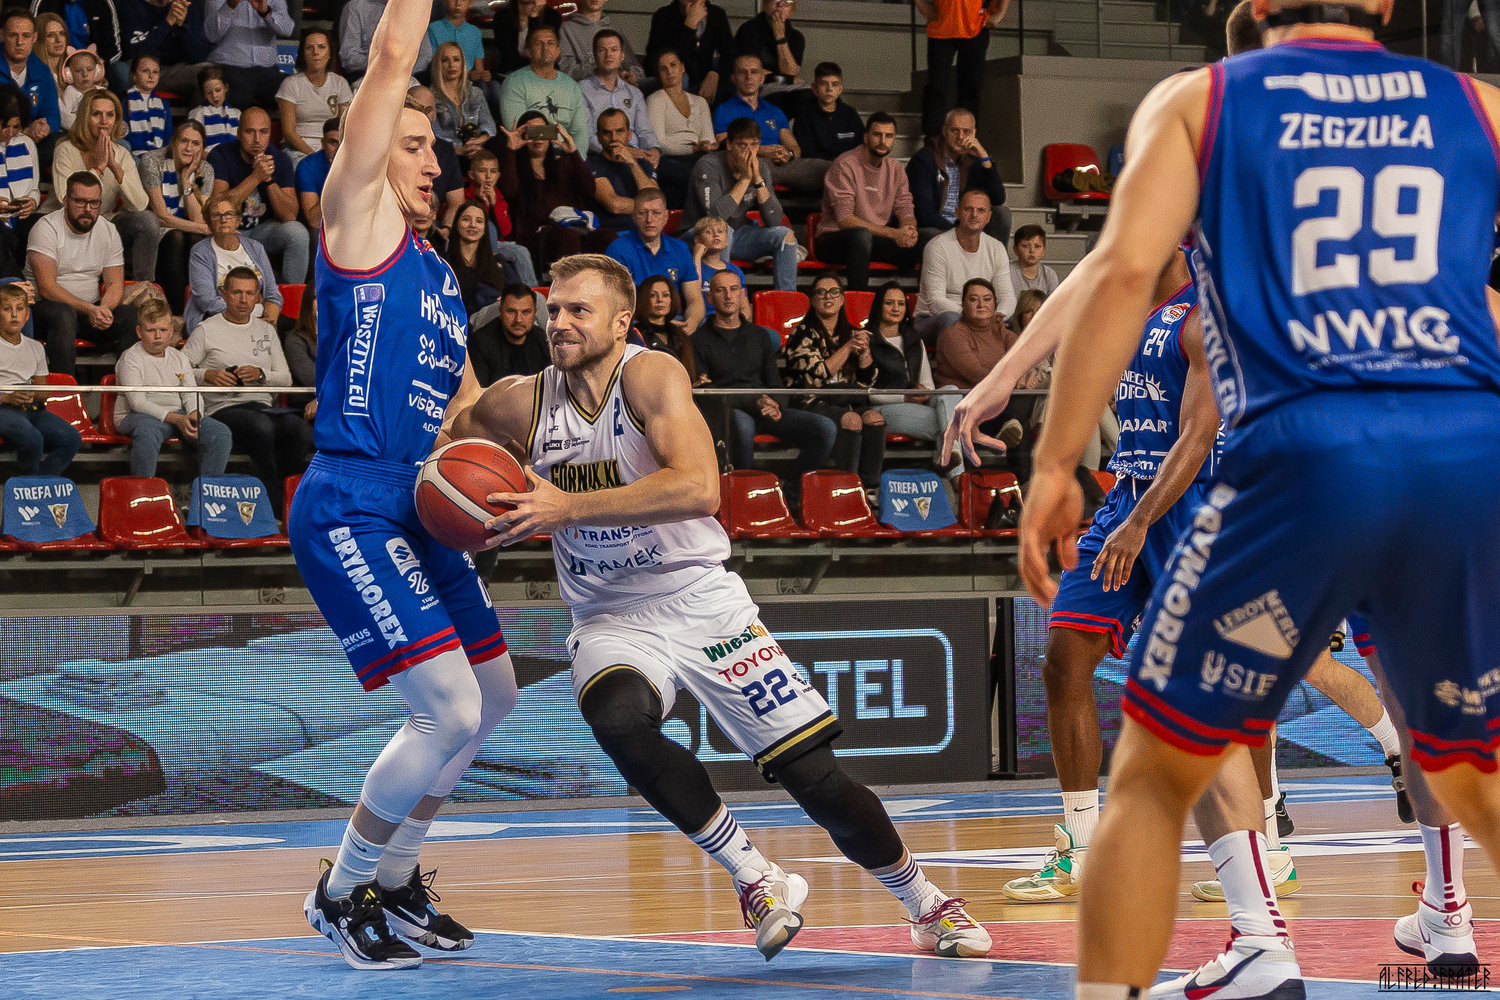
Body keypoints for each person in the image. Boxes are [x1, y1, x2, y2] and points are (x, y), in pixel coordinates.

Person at [1006, 3, 1500, 998]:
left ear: (1260, 10)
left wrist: (1054, 462)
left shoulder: (1210, 102)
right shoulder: (1477, 104)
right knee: (1464, 747)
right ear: (1386, 8)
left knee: (1158, 758)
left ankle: (1253, 948)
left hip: (1311, 449)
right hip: (1461, 446)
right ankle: (1441, 913)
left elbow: (1118, 269)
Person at [453, 254, 991, 961]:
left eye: (578, 310)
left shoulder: (650, 375)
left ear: (622, 322)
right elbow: (455, 432)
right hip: (609, 614)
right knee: (617, 721)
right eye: (554, 309)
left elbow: (699, 488)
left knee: (814, 779)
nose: (559, 322)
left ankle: (924, 901)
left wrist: (567, 507)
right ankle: (755, 874)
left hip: (701, 600)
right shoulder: (522, 401)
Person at [294, 0, 518, 971]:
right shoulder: (359, 219)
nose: (434, 164)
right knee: (450, 710)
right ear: (374, 145)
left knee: (495, 695)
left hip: (417, 502)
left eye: (438, 150)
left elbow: (469, 413)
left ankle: (397, 878)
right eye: (416, 144)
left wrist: (540, 466)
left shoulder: (441, 280)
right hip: (350, 496)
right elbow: (391, 53)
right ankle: (339, 890)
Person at [693, 267, 832, 498]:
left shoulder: (760, 336)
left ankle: (791, 495)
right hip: (728, 413)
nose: (728, 295)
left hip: (764, 409)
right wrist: (757, 402)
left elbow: (775, 383)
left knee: (825, 428)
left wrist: (776, 404)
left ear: (742, 295)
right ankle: (742, 496)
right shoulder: (697, 340)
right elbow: (709, 394)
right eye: (720, 290)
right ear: (709, 297)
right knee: (743, 425)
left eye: (733, 289)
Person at [181, 265, 307, 515]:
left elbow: (285, 379)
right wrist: (207, 374)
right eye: (237, 293)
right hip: (223, 407)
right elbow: (178, 372)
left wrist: (261, 375)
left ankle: (277, 489)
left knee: (302, 431)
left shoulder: (266, 330)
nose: (243, 299)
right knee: (260, 426)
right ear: (224, 294)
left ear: (258, 297)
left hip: (263, 407)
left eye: (249, 293)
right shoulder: (206, 329)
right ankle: (272, 501)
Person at [26, 171, 137, 375]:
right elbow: (47, 288)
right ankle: (65, 388)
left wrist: (103, 309)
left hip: (89, 311)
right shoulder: (46, 228)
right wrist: (89, 309)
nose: (87, 209)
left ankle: (125, 386)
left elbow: (115, 284)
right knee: (63, 314)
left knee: (129, 315)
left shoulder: (108, 230)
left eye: (94, 203)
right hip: (45, 309)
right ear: (65, 200)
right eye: (80, 202)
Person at [782, 273, 885, 487]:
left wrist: (865, 353)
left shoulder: (852, 332)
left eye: (834, 292)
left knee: (874, 418)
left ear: (842, 299)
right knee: (851, 420)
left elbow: (868, 383)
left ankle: (870, 486)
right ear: (812, 300)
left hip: (846, 401)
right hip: (810, 402)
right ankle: (847, 488)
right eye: (821, 292)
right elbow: (818, 373)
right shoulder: (801, 334)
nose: (828, 297)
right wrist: (848, 347)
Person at [115, 296, 231, 477]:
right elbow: (137, 402)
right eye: (151, 330)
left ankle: (208, 489)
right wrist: (177, 419)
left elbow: (191, 392)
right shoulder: (130, 358)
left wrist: (194, 413)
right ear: (139, 331)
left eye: (163, 330)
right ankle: (143, 489)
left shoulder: (179, 357)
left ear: (171, 331)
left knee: (220, 432)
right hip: (136, 415)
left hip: (179, 414)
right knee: (147, 431)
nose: (158, 336)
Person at [815, 112, 931, 292]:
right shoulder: (845, 164)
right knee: (861, 236)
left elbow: (905, 208)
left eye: (889, 136)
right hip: (835, 240)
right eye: (877, 134)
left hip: (875, 240)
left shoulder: (896, 168)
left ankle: (909, 297)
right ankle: (859, 300)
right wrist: (894, 233)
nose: (883, 141)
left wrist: (908, 229)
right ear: (866, 137)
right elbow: (845, 220)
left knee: (931, 237)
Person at [681, 117, 798, 293]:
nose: (749, 151)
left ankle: (786, 300)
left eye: (754, 145)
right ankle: (722, 296)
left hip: (738, 235)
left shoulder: (761, 167)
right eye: (742, 145)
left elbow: (774, 220)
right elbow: (715, 217)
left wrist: (757, 180)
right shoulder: (708, 165)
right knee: (722, 230)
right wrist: (745, 179)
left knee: (785, 235)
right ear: (729, 145)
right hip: (698, 234)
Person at [492, 109, 614, 270]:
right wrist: (511, 150)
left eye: (543, 131)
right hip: (537, 237)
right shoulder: (515, 168)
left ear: (550, 135)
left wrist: (573, 152)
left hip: (574, 228)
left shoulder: (563, 164)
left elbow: (589, 190)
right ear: (523, 136)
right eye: (532, 132)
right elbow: (508, 192)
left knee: (608, 236)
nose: (538, 138)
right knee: (567, 236)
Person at [208, 106, 308, 282]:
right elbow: (217, 207)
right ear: (239, 134)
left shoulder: (279, 159)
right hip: (229, 229)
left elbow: (290, 215)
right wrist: (256, 177)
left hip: (262, 230)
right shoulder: (221, 154)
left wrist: (269, 179)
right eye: (250, 132)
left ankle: (293, 295)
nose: (257, 139)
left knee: (298, 233)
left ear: (270, 134)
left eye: (263, 132)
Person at [931, 277, 1014, 466]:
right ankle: (956, 467)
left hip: (994, 405)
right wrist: (1014, 375)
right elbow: (977, 374)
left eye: (987, 299)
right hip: (962, 404)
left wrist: (1022, 374)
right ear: (963, 304)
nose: (981, 305)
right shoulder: (954, 334)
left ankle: (1026, 476)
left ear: (995, 304)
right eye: (973, 299)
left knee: (1033, 398)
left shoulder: (1003, 332)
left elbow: (1023, 357)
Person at [915, 188, 1014, 344]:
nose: (974, 215)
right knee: (952, 319)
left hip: (981, 316)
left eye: (981, 210)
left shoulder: (996, 248)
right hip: (933, 318)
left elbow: (1007, 296)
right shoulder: (937, 246)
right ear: (958, 213)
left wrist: (999, 314)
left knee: (1013, 318)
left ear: (988, 217)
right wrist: (975, 317)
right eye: (968, 209)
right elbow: (935, 301)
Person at [0, 281, 77, 475]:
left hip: (31, 408)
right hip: (2, 408)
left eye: (19, 309)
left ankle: (42, 481)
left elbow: (43, 392)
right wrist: (6, 397)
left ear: (27, 315)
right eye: (7, 309)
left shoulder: (35, 348)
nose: (14, 315)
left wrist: (34, 395)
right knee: (33, 438)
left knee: (71, 438)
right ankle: (29, 484)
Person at [135, 120, 212, 310]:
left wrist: (186, 181)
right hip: (156, 232)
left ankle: (196, 310)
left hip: (188, 232)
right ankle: (177, 310)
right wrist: (204, 228)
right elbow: (161, 216)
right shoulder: (152, 161)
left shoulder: (206, 170)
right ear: (173, 142)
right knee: (176, 237)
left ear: (202, 149)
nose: (189, 148)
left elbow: (197, 219)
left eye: (195, 143)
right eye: (183, 141)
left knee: (196, 239)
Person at [607, 187, 704, 332]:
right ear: (633, 217)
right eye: (642, 213)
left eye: (656, 213)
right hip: (635, 324)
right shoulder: (618, 249)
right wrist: (657, 325)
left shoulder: (680, 249)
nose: (649, 219)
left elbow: (695, 299)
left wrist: (690, 324)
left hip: (674, 323)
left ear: (666, 217)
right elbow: (614, 303)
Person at [907, 108, 1009, 246]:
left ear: (974, 133)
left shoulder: (974, 161)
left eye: (966, 131)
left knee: (1002, 213)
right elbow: (924, 214)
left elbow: (998, 198)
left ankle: (994, 259)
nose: (960, 137)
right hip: (933, 228)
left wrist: (985, 157)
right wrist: (960, 233)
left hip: (964, 226)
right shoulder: (924, 160)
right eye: (954, 130)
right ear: (944, 131)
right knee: (933, 234)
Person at [185, 191, 280, 330]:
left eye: (229, 214)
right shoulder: (201, 252)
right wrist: (255, 311)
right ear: (209, 222)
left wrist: (270, 319)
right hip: (217, 317)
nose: (223, 219)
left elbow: (272, 294)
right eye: (216, 215)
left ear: (238, 220)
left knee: (296, 329)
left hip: (258, 317)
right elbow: (207, 302)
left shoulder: (256, 247)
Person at [915, 0, 1008, 139]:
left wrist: (1000, 13)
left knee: (971, 87)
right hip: (942, 24)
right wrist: (921, 4)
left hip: (976, 25)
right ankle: (933, 140)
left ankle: (965, 138)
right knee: (937, 85)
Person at [711, 55, 808, 183]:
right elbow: (724, 146)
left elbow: (794, 147)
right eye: (742, 72)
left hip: (783, 164)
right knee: (759, 167)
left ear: (762, 78)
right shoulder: (723, 110)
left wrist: (788, 155)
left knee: (824, 168)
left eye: (754, 72)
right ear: (733, 78)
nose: (749, 77)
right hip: (749, 164)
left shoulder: (774, 111)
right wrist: (761, 151)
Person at [868, 281, 941, 448]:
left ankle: (954, 455)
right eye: (889, 303)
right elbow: (867, 392)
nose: (896, 308)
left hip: (917, 404)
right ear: (879, 306)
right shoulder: (868, 341)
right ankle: (957, 454)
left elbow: (928, 384)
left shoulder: (914, 338)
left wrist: (923, 392)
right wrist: (904, 397)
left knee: (950, 391)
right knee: (952, 421)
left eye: (901, 304)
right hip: (883, 407)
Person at [498, 26, 589, 149]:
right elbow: (519, 130)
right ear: (528, 51)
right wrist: (561, 140)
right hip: (532, 153)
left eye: (550, 43)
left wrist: (576, 157)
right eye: (538, 44)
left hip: (567, 154)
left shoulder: (572, 85)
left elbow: (581, 132)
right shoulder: (514, 82)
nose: (545, 48)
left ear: (558, 51)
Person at [580, 30, 660, 161]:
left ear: (622, 55)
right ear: (594, 55)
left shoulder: (634, 93)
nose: (608, 55)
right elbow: (586, 135)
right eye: (602, 50)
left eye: (614, 50)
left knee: (679, 170)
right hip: (602, 157)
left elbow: (645, 131)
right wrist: (624, 151)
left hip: (638, 154)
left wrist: (654, 150)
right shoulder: (581, 90)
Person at [276, 30, 351, 163]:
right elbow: (289, 133)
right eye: (309, 48)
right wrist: (315, 157)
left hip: (333, 147)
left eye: (321, 47)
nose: (315, 52)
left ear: (330, 53)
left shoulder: (340, 83)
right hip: (299, 149)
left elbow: (344, 127)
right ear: (303, 54)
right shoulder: (290, 84)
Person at [204, 0, 293, 111]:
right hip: (229, 68)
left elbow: (287, 30)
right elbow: (211, 35)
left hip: (268, 70)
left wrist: (266, 13)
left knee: (291, 94)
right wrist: (229, 6)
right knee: (235, 98)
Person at [118, 0, 215, 100]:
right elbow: (132, 51)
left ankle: (200, 111)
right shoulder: (131, 5)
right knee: (123, 72)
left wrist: (184, 24)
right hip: (142, 68)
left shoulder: (185, 4)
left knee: (209, 74)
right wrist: (167, 23)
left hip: (173, 71)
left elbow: (198, 57)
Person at [789, 62, 862, 191]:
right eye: (823, 84)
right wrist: (835, 163)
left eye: (834, 84)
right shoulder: (804, 114)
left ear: (840, 89)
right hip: (817, 171)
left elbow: (861, 146)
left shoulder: (850, 114)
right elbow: (806, 152)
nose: (829, 89)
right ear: (814, 87)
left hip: (849, 171)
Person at [646, 0, 735, 104]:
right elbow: (660, 62)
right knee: (682, 78)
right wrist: (689, 26)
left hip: (707, 80)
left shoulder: (716, 14)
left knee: (738, 82)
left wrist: (715, 74)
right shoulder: (664, 16)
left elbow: (731, 56)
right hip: (674, 82)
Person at [405, 85, 465, 237]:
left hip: (433, 225)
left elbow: (456, 202)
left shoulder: (446, 150)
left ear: (434, 114)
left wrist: (446, 229)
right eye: (416, 109)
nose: (422, 115)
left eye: (427, 110)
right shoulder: (390, 146)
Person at [588, 108, 658, 231]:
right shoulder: (590, 165)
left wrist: (632, 163)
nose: (613, 138)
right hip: (613, 232)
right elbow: (614, 205)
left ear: (629, 134)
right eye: (607, 133)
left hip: (646, 232)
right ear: (598, 137)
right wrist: (649, 206)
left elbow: (655, 198)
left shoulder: (643, 165)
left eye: (619, 131)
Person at [0, 11, 59, 157]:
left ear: (34, 37)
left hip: (30, 139)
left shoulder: (42, 70)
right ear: (2, 35)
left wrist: (43, 127)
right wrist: (22, 131)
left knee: (58, 143)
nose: (19, 42)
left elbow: (53, 115)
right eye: (13, 35)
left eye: (26, 36)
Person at [645, 47, 714, 168]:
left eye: (673, 65)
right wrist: (693, 148)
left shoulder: (700, 102)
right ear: (658, 74)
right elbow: (659, 144)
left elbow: (709, 138)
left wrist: (706, 146)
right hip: (670, 159)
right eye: (663, 69)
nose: (669, 71)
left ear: (682, 67)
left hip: (700, 157)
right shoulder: (655, 100)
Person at [468, 281, 547, 385]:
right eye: (511, 312)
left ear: (534, 313)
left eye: (526, 312)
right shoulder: (481, 343)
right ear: (500, 311)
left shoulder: (543, 339)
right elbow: (479, 390)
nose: (518, 320)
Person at [427, 0, 498, 115]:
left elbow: (479, 67)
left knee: (494, 87)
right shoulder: (433, 28)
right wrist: (465, 74)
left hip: (470, 79)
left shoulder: (475, 32)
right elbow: (433, 63)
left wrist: (483, 74)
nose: (458, 3)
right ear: (444, 2)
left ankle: (493, 123)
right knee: (482, 89)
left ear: (470, 3)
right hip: (447, 78)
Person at [442, 200, 509, 316]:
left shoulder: (499, 265)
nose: (472, 225)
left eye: (479, 221)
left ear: (484, 229)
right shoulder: (442, 263)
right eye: (466, 219)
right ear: (456, 224)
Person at [431, 40, 495, 160]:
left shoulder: (476, 93)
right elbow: (435, 134)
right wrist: (459, 149)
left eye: (456, 59)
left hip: (477, 150)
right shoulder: (431, 97)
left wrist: (478, 141)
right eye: (445, 60)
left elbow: (489, 124)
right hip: (447, 155)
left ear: (463, 63)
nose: (451, 65)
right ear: (438, 64)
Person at [559, 0, 645, 83]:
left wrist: (632, 75)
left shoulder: (614, 29)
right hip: (584, 88)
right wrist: (603, 69)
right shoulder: (567, 29)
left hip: (616, 87)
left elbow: (634, 66)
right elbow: (566, 70)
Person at [632, 272, 695, 378]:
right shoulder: (635, 334)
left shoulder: (680, 334)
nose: (660, 300)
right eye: (652, 295)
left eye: (665, 295)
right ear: (643, 298)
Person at [735, 0, 804, 94]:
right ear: (765, 5)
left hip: (785, 87)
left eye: (787, 2)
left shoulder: (796, 37)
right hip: (755, 86)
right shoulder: (748, 30)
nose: (780, 5)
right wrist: (784, 79)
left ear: (791, 11)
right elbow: (750, 70)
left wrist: (780, 38)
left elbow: (790, 72)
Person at [690, 215, 748, 318]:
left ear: (727, 240)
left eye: (720, 232)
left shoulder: (735, 270)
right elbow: (693, 296)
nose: (716, 235)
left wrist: (740, 324)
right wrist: (697, 256)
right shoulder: (692, 266)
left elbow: (745, 308)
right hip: (703, 320)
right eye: (709, 232)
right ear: (698, 240)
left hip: (731, 322)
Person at [485, 0, 560, 77]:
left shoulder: (551, 16)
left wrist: (534, 17)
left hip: (545, 73)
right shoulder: (502, 17)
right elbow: (509, 55)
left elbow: (545, 55)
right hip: (512, 73)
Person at [295, 118, 340, 230]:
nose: (339, 149)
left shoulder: (360, 163)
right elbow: (314, 221)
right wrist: (336, 181)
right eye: (333, 143)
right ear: (323, 143)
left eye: (344, 142)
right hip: (319, 228)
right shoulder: (307, 166)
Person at [188, 65, 239, 150]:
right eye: (208, 93)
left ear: (226, 87)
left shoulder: (236, 113)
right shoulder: (197, 113)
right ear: (203, 93)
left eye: (218, 90)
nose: (214, 96)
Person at [57, 48, 101, 131]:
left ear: (97, 71)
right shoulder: (71, 91)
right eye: (78, 70)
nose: (85, 74)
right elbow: (64, 117)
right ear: (69, 74)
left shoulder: (102, 91)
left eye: (89, 69)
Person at [1009, 224, 1058, 296]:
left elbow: (1054, 301)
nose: (1032, 250)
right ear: (1016, 249)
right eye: (1025, 246)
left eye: (1037, 246)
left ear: (1043, 250)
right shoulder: (1008, 272)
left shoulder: (1049, 274)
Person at [31, 13, 67, 99]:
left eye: (61, 33)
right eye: (51, 35)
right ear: (39, 39)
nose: (58, 40)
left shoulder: (72, 71)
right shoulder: (34, 75)